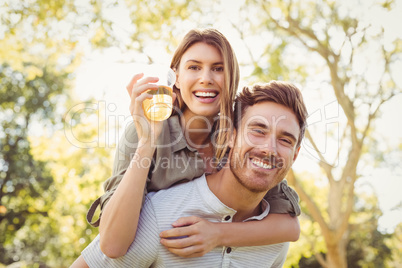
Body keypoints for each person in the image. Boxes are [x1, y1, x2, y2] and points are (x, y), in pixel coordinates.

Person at [86, 28, 301, 259]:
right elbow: (112, 246)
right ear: (175, 76)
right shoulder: (146, 131)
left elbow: (290, 227)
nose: (206, 78)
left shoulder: (240, 139)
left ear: (231, 78)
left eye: (218, 69)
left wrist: (218, 234)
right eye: (194, 67)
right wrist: (147, 141)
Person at [72, 81, 308, 267]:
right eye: (258, 131)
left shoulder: (274, 242)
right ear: (231, 135)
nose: (269, 149)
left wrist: (218, 234)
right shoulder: (161, 215)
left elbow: (292, 229)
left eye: (285, 140)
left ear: (295, 155)